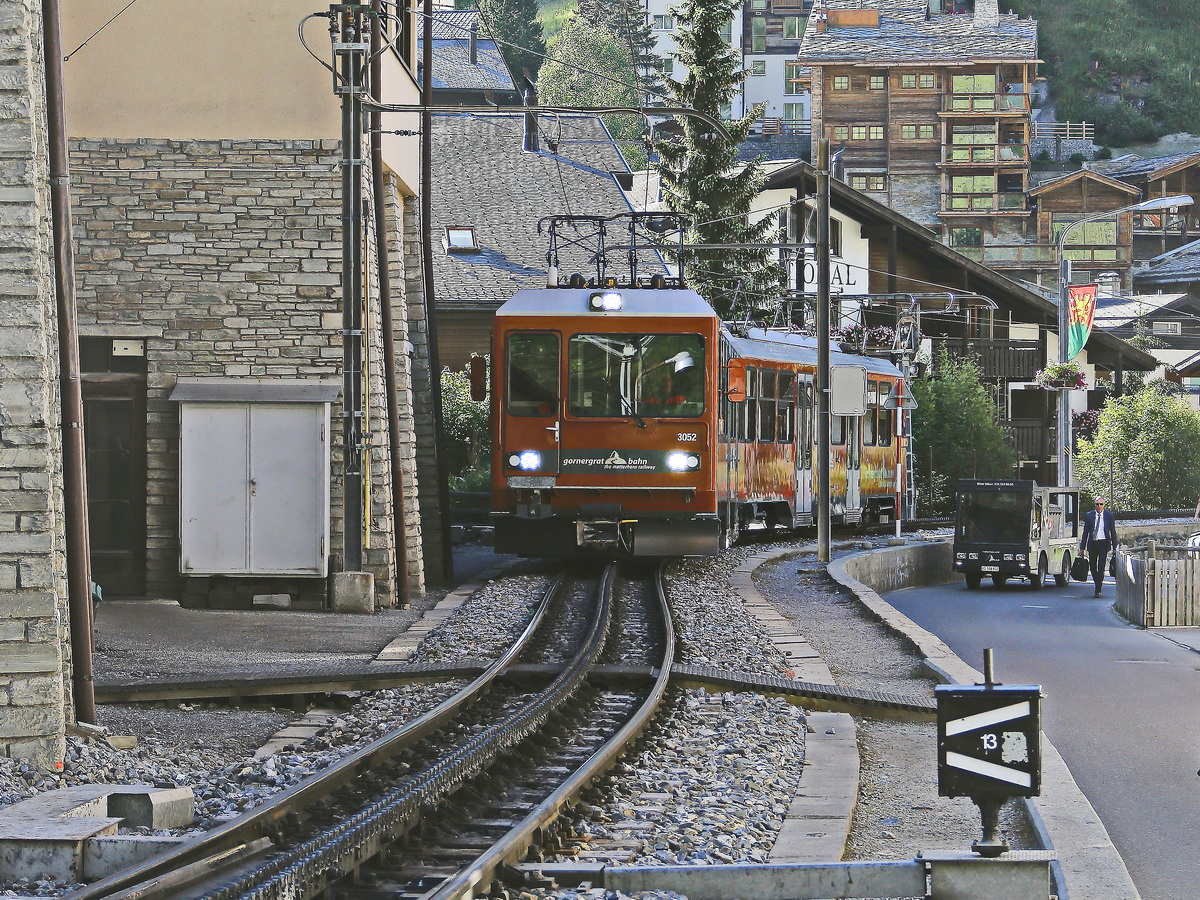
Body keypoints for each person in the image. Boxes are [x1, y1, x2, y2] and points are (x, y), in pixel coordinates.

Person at [1080, 497, 1118, 597]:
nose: (1099, 506)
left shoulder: (1109, 516)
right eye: (1097, 504)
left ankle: (1098, 589)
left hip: (1103, 544)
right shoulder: (1089, 515)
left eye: (1101, 504)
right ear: (1095, 505)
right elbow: (1085, 532)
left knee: (1101, 568)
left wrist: (1115, 547)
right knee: (1092, 567)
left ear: (1104, 505)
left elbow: (1112, 532)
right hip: (1093, 544)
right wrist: (1082, 547)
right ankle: (1097, 582)